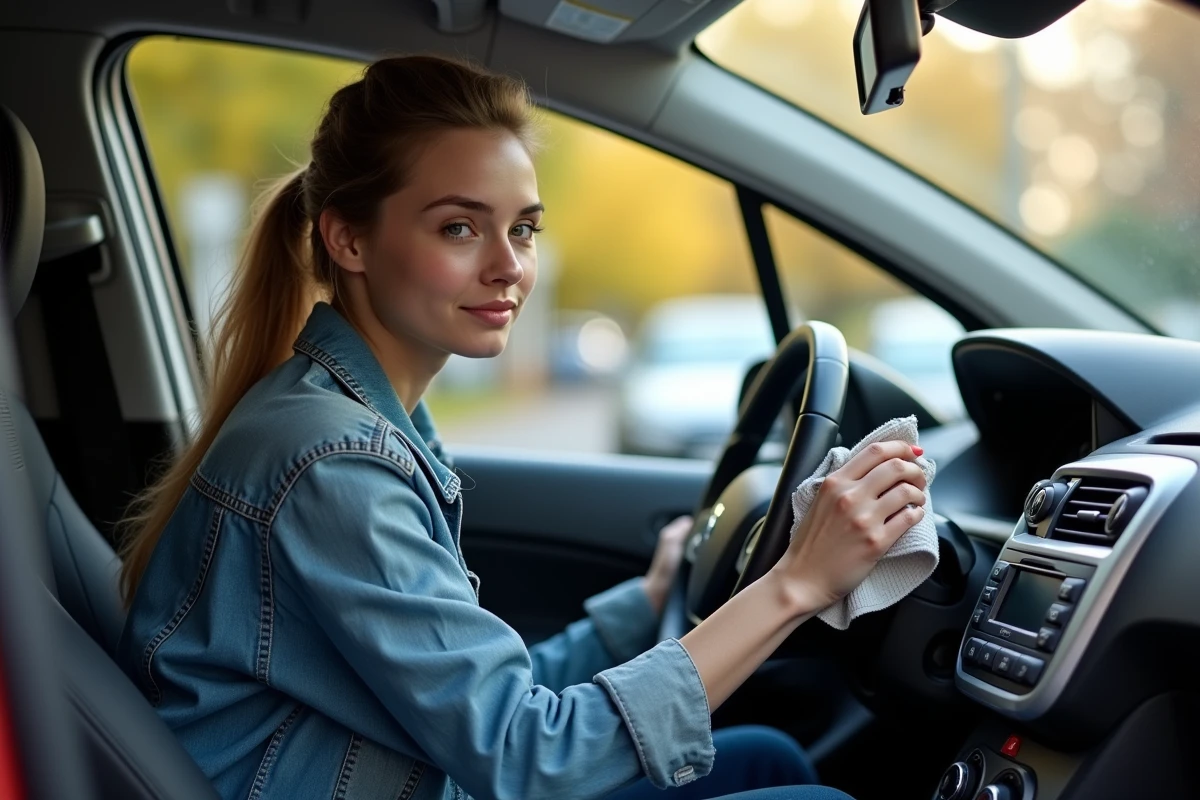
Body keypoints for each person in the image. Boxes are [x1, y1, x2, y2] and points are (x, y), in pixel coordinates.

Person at [115, 55, 927, 800]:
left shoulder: (367, 421)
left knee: (766, 763)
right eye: (460, 228)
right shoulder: (331, 462)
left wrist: (647, 601)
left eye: (524, 228)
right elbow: (524, 754)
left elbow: (473, 703)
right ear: (349, 238)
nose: (508, 264)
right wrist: (796, 583)